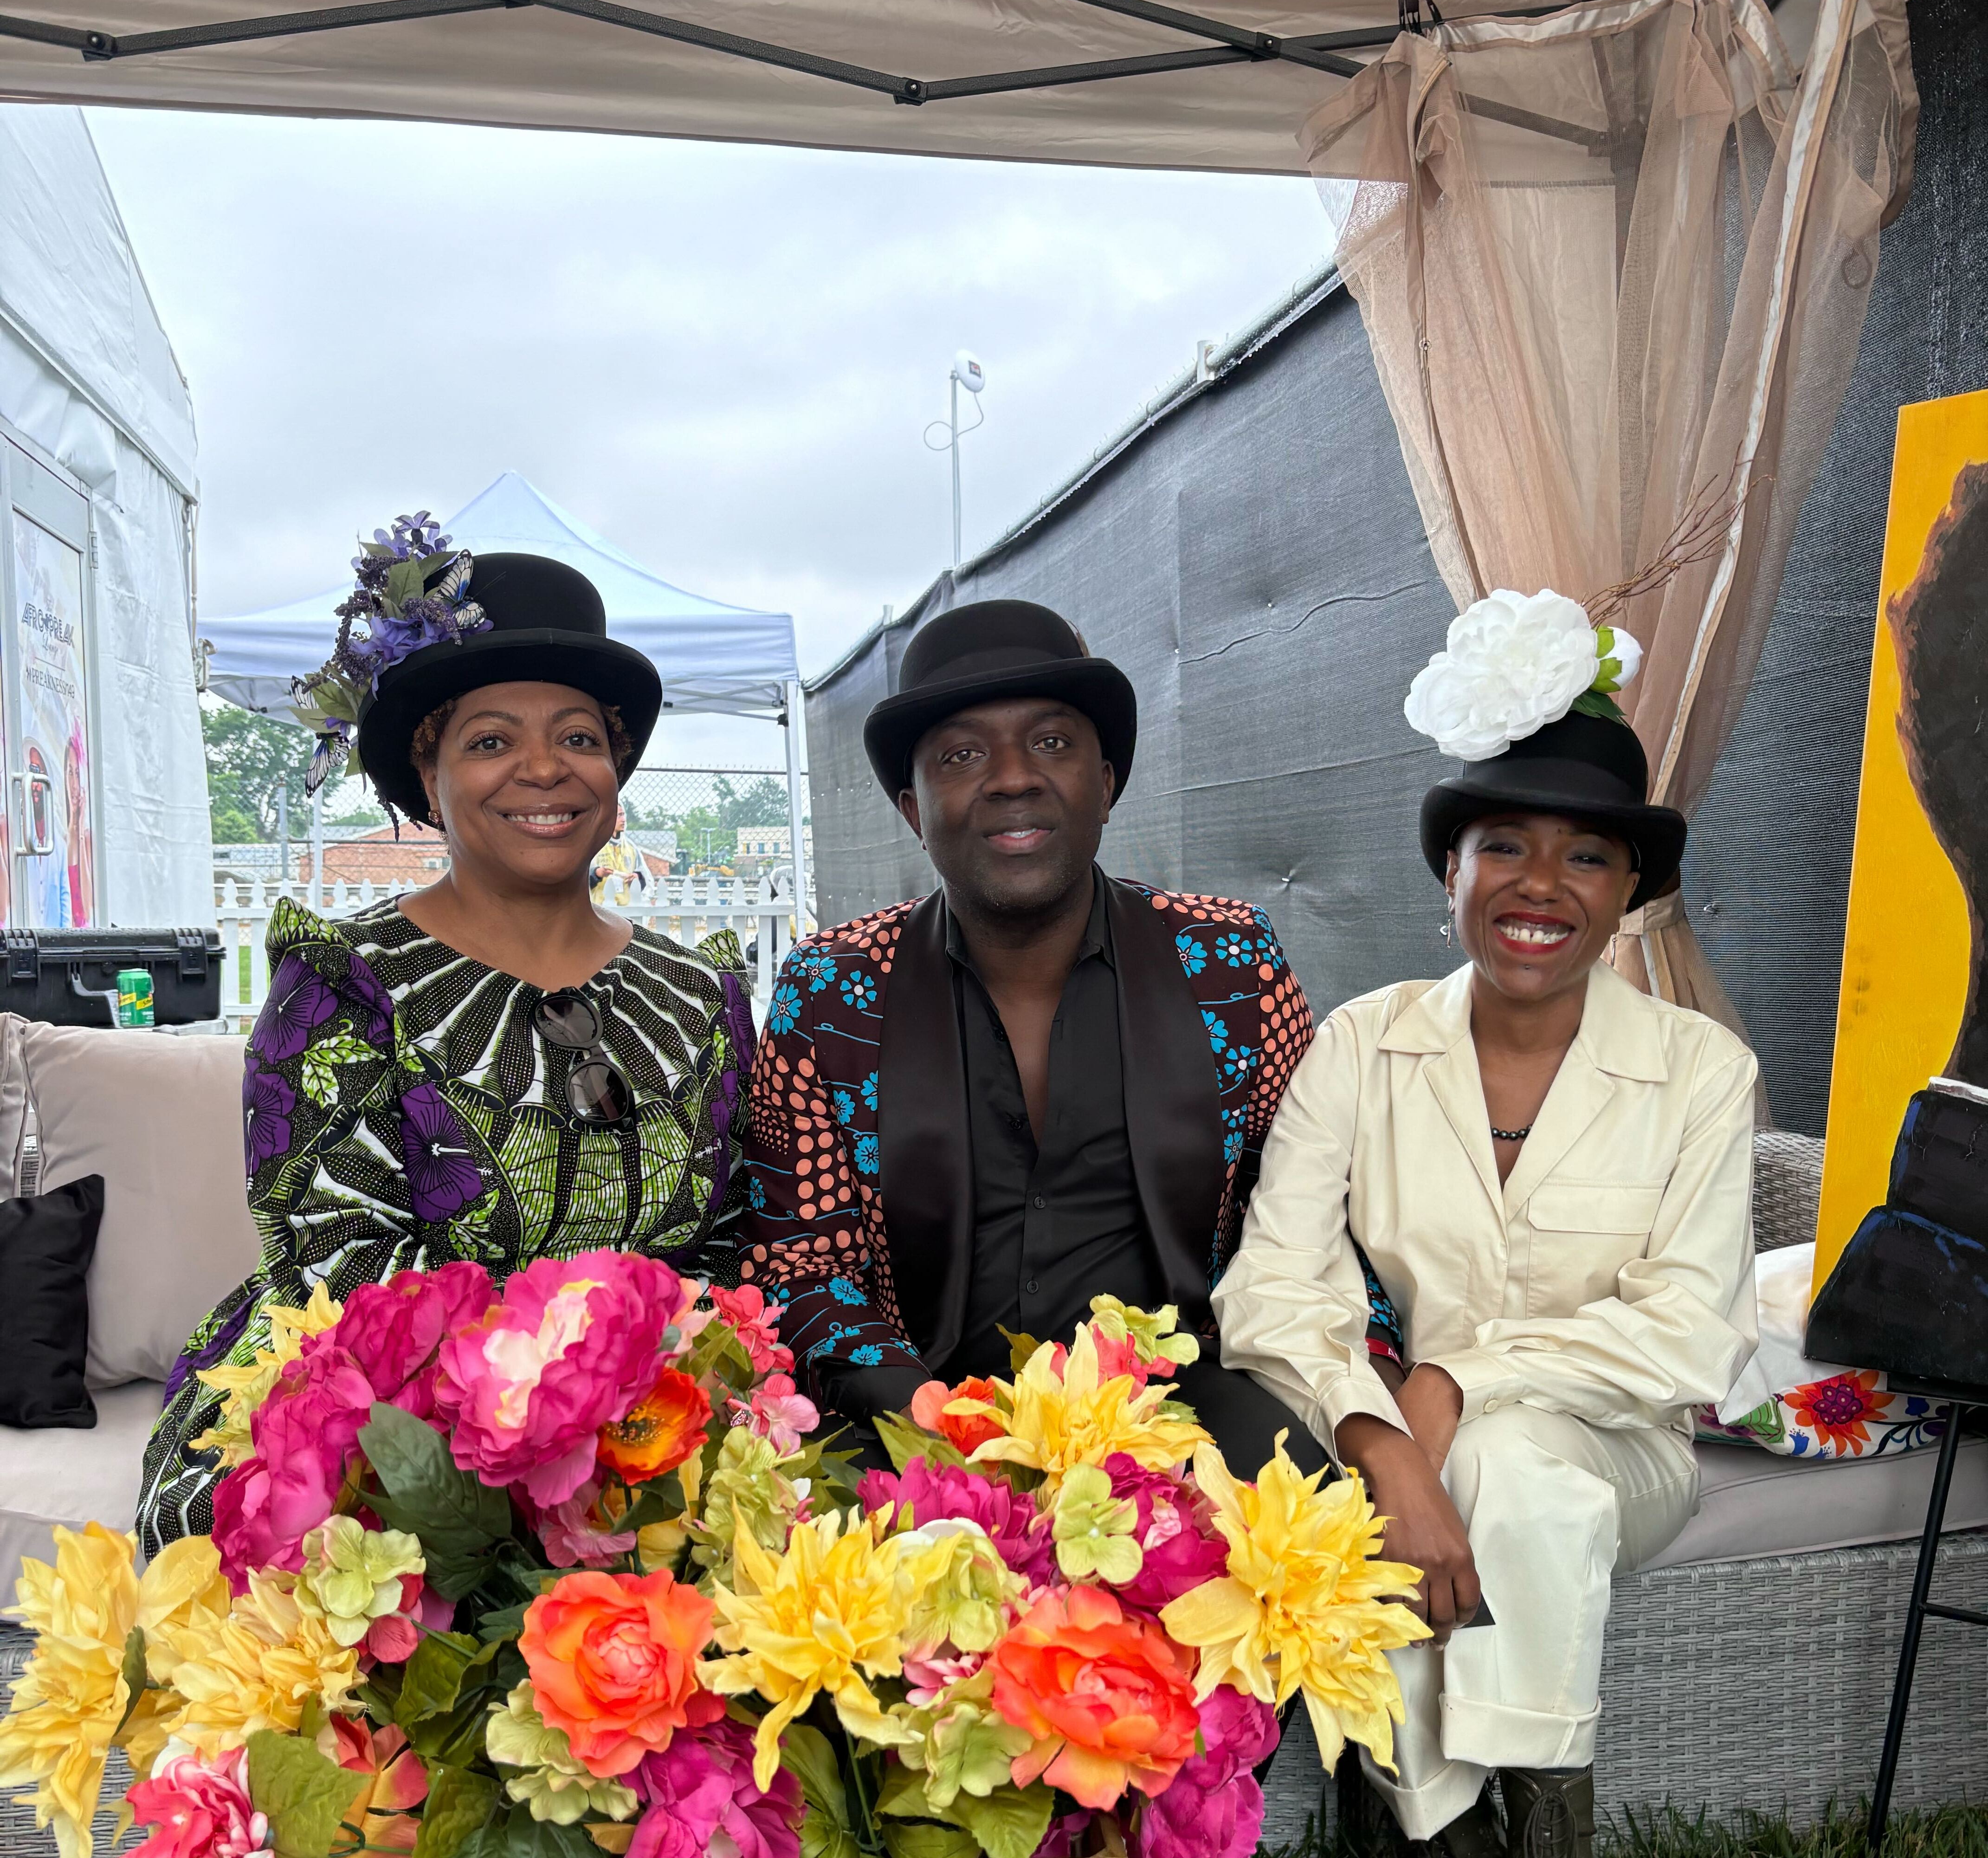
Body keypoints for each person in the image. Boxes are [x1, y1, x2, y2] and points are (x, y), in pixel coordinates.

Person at [1214, 589, 1758, 1858]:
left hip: (1618, 1454)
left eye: (1587, 852)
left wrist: (1455, 1379)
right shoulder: (1362, 1043)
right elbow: (1271, 1289)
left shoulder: (1699, 1070)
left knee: (1520, 1468)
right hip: (1426, 1449)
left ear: (1629, 887)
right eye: (1502, 843)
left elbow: (1685, 1339)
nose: (1541, 882)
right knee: (1421, 1485)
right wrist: (1386, 1436)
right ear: (1447, 869)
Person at [139, 518, 753, 1548]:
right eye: (491, 740)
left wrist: (664, 1411)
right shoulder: (341, 986)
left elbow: (733, 1244)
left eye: (578, 736)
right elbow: (336, 1265)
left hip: (663, 1417)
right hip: (391, 1431)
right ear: (428, 779)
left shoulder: (703, 990)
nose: (543, 769)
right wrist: (549, 1436)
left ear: (617, 774)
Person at [738, 598, 1400, 1475]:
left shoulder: (1230, 961)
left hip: (1184, 1408)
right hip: (917, 1415)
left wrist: (1379, 1397)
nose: (1013, 777)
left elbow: (1321, 1211)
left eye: (1053, 742)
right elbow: (800, 1261)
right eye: (962, 755)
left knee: (1339, 1574)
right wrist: (934, 1420)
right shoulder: (833, 989)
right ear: (913, 808)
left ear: (1108, 783)